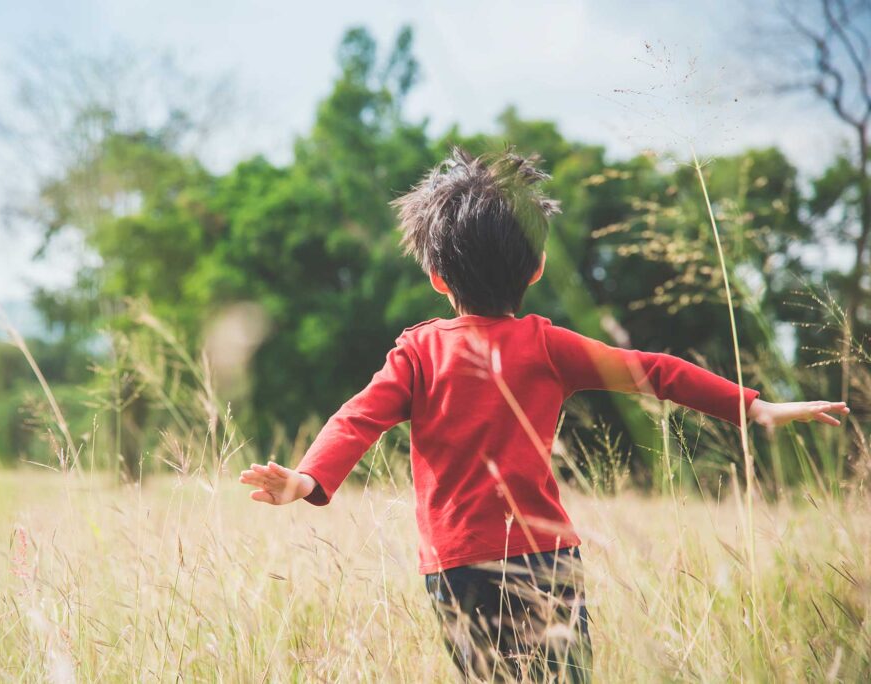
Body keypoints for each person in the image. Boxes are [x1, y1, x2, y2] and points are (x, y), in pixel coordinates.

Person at [238, 148, 849, 682]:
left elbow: (357, 418)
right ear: (535, 269)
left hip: (456, 568)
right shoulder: (548, 345)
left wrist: (307, 481)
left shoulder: (419, 351)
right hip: (547, 560)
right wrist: (756, 407)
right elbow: (656, 370)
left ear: (435, 278)